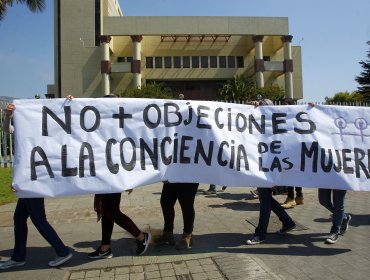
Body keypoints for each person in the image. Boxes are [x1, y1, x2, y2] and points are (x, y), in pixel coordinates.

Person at [0, 102, 73, 270]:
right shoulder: (25, 129)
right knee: (19, 218)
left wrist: (70, 102)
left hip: (34, 178)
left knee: (38, 219)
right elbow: (7, 130)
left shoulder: (44, 132)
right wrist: (9, 116)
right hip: (28, 178)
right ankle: (19, 256)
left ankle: (61, 251)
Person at [88, 191, 151, 258]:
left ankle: (142, 237)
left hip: (112, 182)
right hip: (105, 183)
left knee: (112, 212)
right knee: (106, 211)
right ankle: (104, 248)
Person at [155, 182, 199, 250]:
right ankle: (168, 233)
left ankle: (187, 236)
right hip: (172, 176)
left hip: (188, 178)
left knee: (186, 205)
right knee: (165, 202)